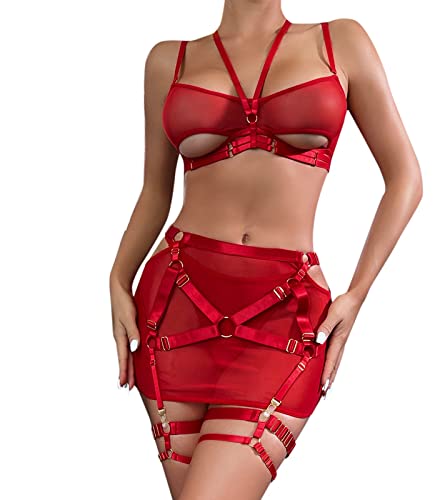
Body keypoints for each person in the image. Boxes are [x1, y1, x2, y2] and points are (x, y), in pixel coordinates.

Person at [109, 2, 423, 498]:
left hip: (286, 311)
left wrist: (357, 294)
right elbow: (154, 193)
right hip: (176, 302)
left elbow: (405, 178)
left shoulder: (339, 42)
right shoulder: (168, 60)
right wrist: (117, 278)